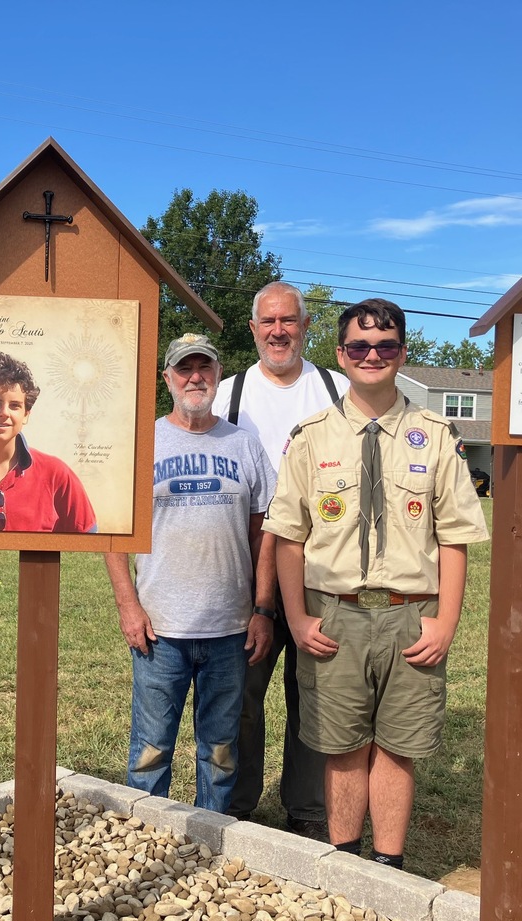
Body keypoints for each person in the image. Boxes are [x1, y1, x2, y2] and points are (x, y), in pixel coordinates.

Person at [266, 298, 489, 868]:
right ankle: (345, 861)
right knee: (342, 747)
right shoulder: (312, 436)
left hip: (411, 615)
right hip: (334, 612)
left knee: (399, 747)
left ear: (402, 353)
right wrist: (295, 617)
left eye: (385, 345)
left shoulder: (436, 434)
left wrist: (446, 622)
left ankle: (388, 866)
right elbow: (289, 536)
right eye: (360, 347)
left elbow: (455, 537)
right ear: (340, 355)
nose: (372, 355)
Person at [105, 333, 275, 813]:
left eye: (205, 367)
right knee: (150, 751)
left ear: (219, 375)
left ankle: (210, 839)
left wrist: (263, 608)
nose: (195, 377)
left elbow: (265, 535)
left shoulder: (245, 445)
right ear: (168, 379)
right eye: (184, 369)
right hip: (160, 630)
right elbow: (113, 534)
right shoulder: (143, 443)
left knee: (220, 753)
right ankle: (142, 841)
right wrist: (128, 605)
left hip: (230, 629)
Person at [212, 281, 349, 837]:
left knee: (313, 690)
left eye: (289, 321)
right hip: (247, 564)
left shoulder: (336, 389)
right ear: (253, 329)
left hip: (322, 564)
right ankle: (237, 804)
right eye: (268, 322)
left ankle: (308, 811)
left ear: (306, 326)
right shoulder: (228, 394)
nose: (278, 331)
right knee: (242, 690)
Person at [0, 351, 97, 532]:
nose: (4, 412)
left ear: (26, 415)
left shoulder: (57, 474)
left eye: (15, 405)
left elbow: (88, 540)